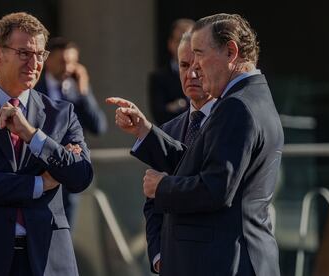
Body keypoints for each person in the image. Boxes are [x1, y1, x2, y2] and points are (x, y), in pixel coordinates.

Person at [111, 13, 283, 276]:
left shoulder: (236, 105)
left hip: (226, 261)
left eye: (200, 54)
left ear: (231, 52)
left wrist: (162, 186)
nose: (196, 69)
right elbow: (199, 163)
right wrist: (146, 131)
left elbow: (216, 188)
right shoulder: (254, 96)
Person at [0, 12, 93, 276]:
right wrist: (40, 183)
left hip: (49, 258)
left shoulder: (61, 113)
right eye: (24, 53)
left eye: (40, 54)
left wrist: (33, 136)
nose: (34, 63)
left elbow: (80, 176)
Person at [107, 31, 215, 274]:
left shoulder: (226, 124)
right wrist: (158, 256)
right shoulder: (169, 129)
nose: (192, 74)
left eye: (198, 65)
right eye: (184, 65)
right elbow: (153, 203)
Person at [35, 37, 107, 225]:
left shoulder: (78, 90)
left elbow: (98, 126)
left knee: (64, 236)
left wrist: (83, 91)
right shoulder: (34, 88)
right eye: (62, 61)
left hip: (67, 178)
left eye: (72, 62)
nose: (68, 67)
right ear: (47, 61)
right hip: (37, 175)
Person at [148, 18, 194, 125]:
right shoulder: (158, 77)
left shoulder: (206, 73)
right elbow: (160, 115)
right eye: (180, 40)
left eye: (190, 41)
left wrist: (177, 105)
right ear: (170, 43)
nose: (185, 46)